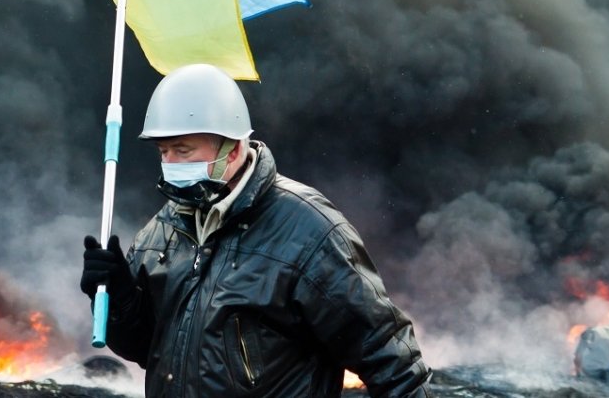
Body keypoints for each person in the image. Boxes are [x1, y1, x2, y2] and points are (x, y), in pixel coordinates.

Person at [80, 63, 432, 397]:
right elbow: (145, 350)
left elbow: (389, 358)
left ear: (232, 150)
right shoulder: (163, 231)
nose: (169, 164)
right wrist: (120, 298)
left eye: (183, 150)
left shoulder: (309, 231)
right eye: (163, 151)